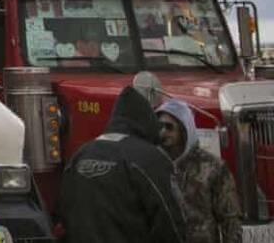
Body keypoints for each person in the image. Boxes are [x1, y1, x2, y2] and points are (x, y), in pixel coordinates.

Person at [60, 85, 186, 243]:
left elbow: (64, 213)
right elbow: (170, 220)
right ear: (147, 121)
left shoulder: (80, 154)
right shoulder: (149, 158)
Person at [157, 98, 242, 243]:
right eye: (159, 126)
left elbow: (230, 218)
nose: (163, 132)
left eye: (169, 127)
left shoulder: (212, 167)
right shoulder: (153, 164)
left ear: (184, 129)